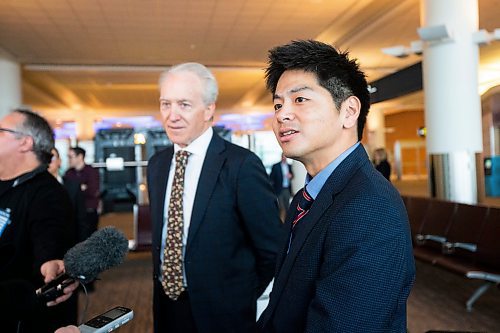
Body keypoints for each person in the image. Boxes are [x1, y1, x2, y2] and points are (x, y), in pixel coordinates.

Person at [257, 40, 415, 332]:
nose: (281, 114)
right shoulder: (305, 198)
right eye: (278, 104)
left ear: (349, 111)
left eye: (300, 100)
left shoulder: (369, 207)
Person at [148, 62, 282, 333]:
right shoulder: (157, 165)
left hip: (224, 316)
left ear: (209, 109)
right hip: (167, 308)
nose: (172, 115)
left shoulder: (241, 165)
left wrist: (238, 298)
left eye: (184, 104)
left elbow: (272, 251)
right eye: (166, 104)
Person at [0, 109, 77, 332]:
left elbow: (50, 257)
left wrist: (50, 263)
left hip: (21, 320)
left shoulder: (48, 195)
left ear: (25, 143)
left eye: (1, 131)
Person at [49, 148, 87, 242]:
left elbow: (81, 220)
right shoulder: (32, 190)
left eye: (52, 158)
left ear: (59, 161)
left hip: (70, 246)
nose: (48, 162)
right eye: (44, 159)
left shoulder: (73, 187)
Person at [65, 146, 100, 241]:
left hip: (89, 212)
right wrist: (81, 187)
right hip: (73, 213)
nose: (68, 160)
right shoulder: (68, 173)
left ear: (80, 157)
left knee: (90, 240)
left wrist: (77, 190)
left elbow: (92, 191)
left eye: (71, 157)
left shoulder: (91, 171)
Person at [269, 153, 294, 221]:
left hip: (287, 189)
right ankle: (280, 223)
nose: (284, 158)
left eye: (285, 157)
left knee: (287, 207)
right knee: (281, 207)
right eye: (283, 157)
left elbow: (292, 176)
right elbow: (271, 178)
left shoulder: (289, 166)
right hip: (279, 189)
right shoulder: (276, 166)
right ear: (281, 157)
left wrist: (291, 176)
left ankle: (286, 223)